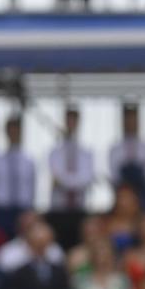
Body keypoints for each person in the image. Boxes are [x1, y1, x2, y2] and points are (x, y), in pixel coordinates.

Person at [47, 104, 98, 251]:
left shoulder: (86, 152)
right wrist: (74, 180)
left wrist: (65, 180)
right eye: (68, 119)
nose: (71, 123)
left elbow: (86, 179)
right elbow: (57, 177)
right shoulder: (54, 152)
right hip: (59, 210)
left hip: (79, 209)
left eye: (74, 120)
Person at [0, 113, 36, 243]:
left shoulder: (28, 160)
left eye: (16, 129)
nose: (13, 133)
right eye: (11, 129)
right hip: (1, 210)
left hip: (22, 209)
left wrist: (30, 210)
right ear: (6, 131)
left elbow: (32, 187)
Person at [109, 102, 145, 214]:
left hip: (143, 193)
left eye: (133, 119)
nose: (130, 123)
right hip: (122, 191)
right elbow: (114, 174)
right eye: (127, 120)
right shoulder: (115, 148)